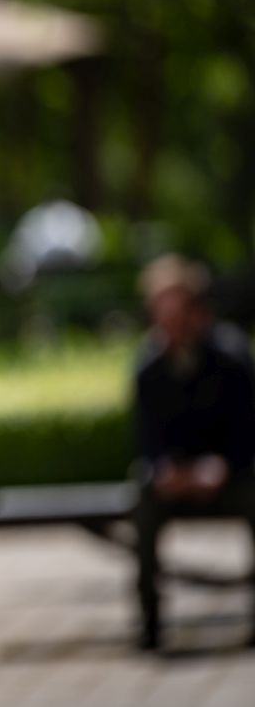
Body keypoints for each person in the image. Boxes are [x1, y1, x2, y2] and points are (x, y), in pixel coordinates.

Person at [132, 254, 255, 649]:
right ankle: (150, 623)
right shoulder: (148, 367)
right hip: (177, 480)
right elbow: (147, 440)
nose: (171, 324)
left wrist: (224, 466)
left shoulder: (232, 358)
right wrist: (164, 470)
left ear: (198, 310)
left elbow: (247, 429)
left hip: (231, 475)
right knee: (143, 498)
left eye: (178, 312)